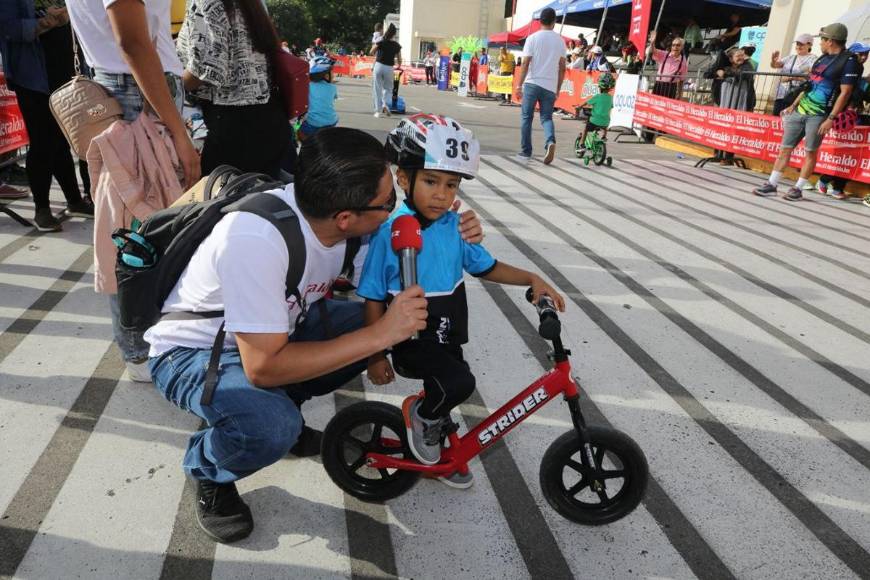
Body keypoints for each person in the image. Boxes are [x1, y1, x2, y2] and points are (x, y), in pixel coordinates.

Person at [145, 127, 485, 543]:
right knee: (272, 425)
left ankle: (277, 405)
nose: (395, 208)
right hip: (196, 351)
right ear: (347, 218)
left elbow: (413, 232)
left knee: (377, 324)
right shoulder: (255, 240)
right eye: (388, 203)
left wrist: (456, 223)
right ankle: (211, 465)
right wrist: (379, 337)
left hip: (278, 329)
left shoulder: (341, 213)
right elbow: (264, 366)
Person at [359, 115, 565, 482]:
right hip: (411, 336)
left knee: (451, 380)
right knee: (459, 384)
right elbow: (373, 297)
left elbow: (486, 267)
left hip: (448, 328)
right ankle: (423, 417)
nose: (442, 194)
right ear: (404, 179)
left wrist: (531, 278)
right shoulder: (390, 233)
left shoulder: (455, 227)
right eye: (431, 181)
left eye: (451, 185)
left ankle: (440, 451)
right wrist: (374, 356)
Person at [0, 0, 95, 232]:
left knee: (63, 139)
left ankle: (75, 200)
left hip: (68, 72)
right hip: (33, 77)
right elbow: (9, 28)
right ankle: (42, 209)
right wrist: (47, 22)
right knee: (43, 142)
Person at [177, 0, 289, 179]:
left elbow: (207, 70)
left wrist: (171, 89)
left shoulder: (207, 2)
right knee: (262, 201)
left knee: (219, 200)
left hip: (230, 125)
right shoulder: (253, 4)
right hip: (270, 115)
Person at [753, 23, 861, 201]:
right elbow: (809, 85)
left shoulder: (849, 61)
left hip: (819, 114)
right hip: (800, 110)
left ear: (831, 41)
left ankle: (798, 188)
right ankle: (772, 184)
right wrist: (793, 106)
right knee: (784, 149)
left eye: (823, 40)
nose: (820, 44)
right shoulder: (822, 59)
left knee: (810, 151)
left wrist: (831, 118)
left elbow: (846, 92)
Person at [816, 41, 869, 200]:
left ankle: (836, 186)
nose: (864, 56)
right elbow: (846, 93)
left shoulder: (859, 71)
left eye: (866, 53)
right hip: (840, 117)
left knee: (852, 154)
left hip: (853, 117)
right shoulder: (847, 68)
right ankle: (826, 180)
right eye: (861, 53)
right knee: (844, 152)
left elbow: (859, 93)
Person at [515, 7, 566, 165]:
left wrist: (519, 85)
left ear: (540, 21)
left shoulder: (532, 38)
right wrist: (557, 89)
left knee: (526, 118)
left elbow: (525, 63)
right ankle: (550, 141)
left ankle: (526, 152)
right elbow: (562, 68)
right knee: (546, 118)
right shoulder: (560, 41)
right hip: (549, 85)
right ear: (554, 22)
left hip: (532, 83)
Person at [716, 49, 756, 165]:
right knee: (723, 127)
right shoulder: (726, 65)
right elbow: (708, 73)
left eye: (742, 56)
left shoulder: (747, 66)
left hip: (741, 103)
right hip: (726, 102)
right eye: (738, 56)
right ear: (731, 59)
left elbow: (742, 74)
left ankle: (728, 157)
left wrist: (726, 71)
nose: (741, 58)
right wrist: (718, 71)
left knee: (734, 130)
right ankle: (718, 153)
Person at [770, 33, 815, 116]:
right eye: (797, 44)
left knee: (789, 121)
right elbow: (775, 65)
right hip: (781, 94)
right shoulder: (791, 57)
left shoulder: (813, 59)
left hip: (797, 96)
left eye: (801, 44)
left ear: (810, 45)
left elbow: (810, 76)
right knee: (776, 118)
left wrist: (791, 77)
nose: (798, 46)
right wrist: (773, 60)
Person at [576, 73, 614, 157]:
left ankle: (581, 144)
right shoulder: (610, 98)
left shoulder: (597, 96)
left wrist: (579, 107)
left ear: (600, 87)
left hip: (594, 121)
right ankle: (604, 136)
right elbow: (611, 106)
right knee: (606, 122)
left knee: (586, 129)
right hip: (605, 122)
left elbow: (586, 102)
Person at [300, 56, 338, 138]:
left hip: (312, 124)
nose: (333, 75)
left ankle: (305, 145)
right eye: (332, 72)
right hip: (331, 122)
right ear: (326, 76)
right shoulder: (333, 87)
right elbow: (333, 98)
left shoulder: (307, 86)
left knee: (297, 127)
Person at [370, 23, 401, 117]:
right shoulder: (397, 45)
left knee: (377, 88)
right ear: (394, 34)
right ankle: (385, 104)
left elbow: (371, 52)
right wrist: (399, 65)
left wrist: (377, 48)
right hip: (389, 68)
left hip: (379, 65)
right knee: (388, 89)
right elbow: (399, 59)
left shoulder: (381, 40)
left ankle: (377, 111)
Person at [647, 32, 687, 99]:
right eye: (673, 45)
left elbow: (681, 80)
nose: (675, 47)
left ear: (682, 47)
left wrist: (680, 94)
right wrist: (652, 43)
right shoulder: (664, 54)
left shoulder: (683, 62)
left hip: (671, 88)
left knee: (666, 108)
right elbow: (654, 51)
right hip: (659, 85)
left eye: (678, 45)